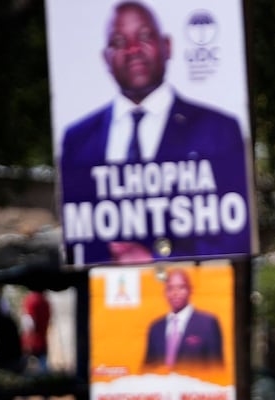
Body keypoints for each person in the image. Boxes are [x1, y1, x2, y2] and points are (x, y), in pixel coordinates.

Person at [57, 2, 251, 264]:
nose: (133, 49)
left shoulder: (218, 130)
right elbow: (77, 242)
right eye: (119, 41)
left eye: (145, 36)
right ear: (106, 57)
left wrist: (156, 258)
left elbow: (234, 235)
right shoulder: (77, 140)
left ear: (167, 46)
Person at [142, 268, 224, 368]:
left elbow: (216, 367)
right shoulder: (156, 328)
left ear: (190, 290)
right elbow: (147, 369)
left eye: (181, 287)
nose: (175, 293)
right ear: (165, 293)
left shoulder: (207, 323)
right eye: (170, 288)